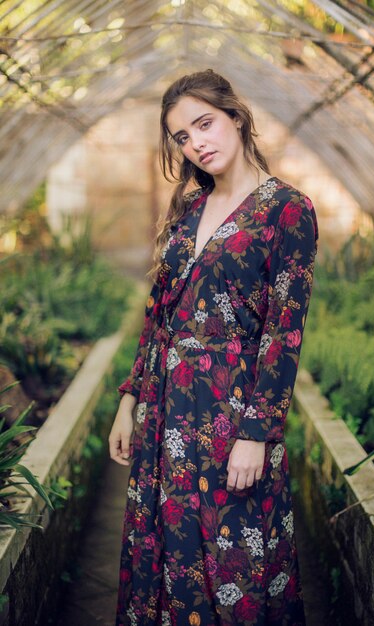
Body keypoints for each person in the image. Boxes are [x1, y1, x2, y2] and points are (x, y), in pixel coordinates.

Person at [109, 68, 319, 626]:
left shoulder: (286, 209)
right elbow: (157, 319)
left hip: (232, 422)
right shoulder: (188, 213)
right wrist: (129, 400)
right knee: (167, 557)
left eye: (205, 123)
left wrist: (258, 434)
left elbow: (284, 333)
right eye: (182, 135)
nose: (197, 142)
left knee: (237, 565)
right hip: (165, 422)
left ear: (237, 117)